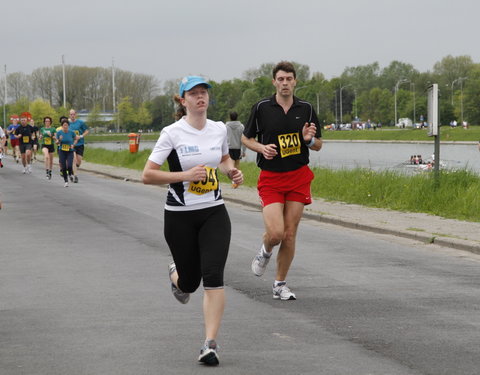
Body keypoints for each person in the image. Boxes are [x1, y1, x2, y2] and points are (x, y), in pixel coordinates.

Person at [142, 76, 243, 366]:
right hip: (179, 217)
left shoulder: (219, 129)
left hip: (214, 211)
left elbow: (224, 158)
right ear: (183, 100)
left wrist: (231, 171)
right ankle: (176, 274)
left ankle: (209, 344)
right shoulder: (171, 133)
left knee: (213, 277)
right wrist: (185, 176)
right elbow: (148, 175)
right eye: (194, 94)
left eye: (204, 93)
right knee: (189, 283)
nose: (201, 97)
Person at [242, 61, 322, 301]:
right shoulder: (262, 107)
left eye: (289, 79)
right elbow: (246, 139)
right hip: (271, 178)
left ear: (295, 81)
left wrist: (308, 140)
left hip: (298, 176)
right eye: (281, 79)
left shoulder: (306, 108)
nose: (285, 83)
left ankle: (279, 284)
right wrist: (261, 148)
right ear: (274, 82)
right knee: (276, 233)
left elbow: (318, 145)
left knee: (289, 234)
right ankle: (265, 250)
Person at [55, 118, 78, 187]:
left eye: (66, 125)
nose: (65, 126)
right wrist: (59, 139)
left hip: (70, 151)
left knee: (70, 165)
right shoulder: (59, 133)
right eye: (64, 125)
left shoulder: (71, 132)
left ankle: (70, 174)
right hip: (62, 151)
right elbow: (56, 142)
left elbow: (76, 139)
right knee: (64, 167)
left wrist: (73, 145)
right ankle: (66, 181)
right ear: (62, 126)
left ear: (68, 126)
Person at [68, 109, 89, 183]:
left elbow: (87, 131)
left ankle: (72, 170)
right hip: (71, 144)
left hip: (80, 143)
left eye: (73, 114)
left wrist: (81, 136)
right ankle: (75, 176)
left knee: (79, 161)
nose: (72, 116)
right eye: (71, 114)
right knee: (73, 159)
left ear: (76, 114)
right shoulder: (67, 123)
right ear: (69, 115)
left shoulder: (80, 122)